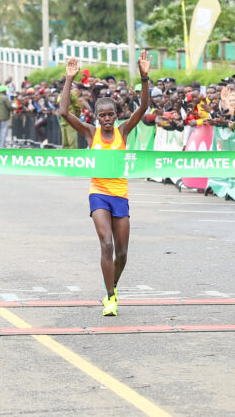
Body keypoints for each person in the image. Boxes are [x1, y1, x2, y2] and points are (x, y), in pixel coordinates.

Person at [58, 51, 150, 316]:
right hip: (98, 194)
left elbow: (143, 108)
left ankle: (114, 285)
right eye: (103, 116)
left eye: (111, 115)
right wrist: (69, 79)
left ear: (116, 115)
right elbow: (64, 112)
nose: (107, 119)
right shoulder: (91, 133)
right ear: (97, 117)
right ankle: (110, 298)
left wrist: (144, 78)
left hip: (120, 195)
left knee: (121, 253)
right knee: (106, 244)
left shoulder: (123, 132)